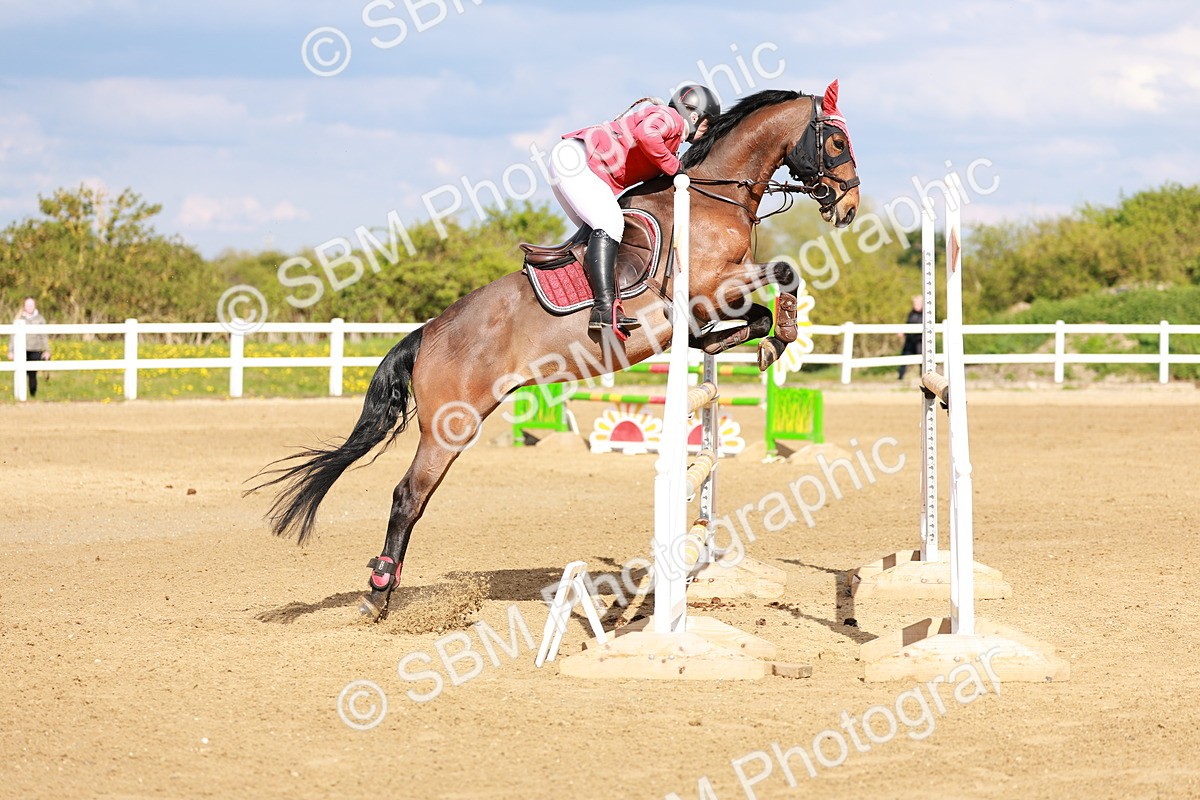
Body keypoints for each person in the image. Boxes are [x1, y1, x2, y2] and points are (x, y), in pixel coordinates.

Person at [550, 84, 721, 338]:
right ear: (694, 116)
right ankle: (604, 309)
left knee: (594, 236)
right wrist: (676, 168)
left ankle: (577, 297)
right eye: (708, 125)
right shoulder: (671, 118)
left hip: (574, 162)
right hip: (576, 161)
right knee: (610, 225)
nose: (706, 133)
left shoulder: (671, 138)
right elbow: (645, 134)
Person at [8, 297, 51, 397]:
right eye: (28, 305)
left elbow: (44, 336)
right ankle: (20, 395)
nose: (30, 307)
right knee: (21, 372)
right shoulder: (19, 319)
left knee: (32, 374)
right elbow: (12, 336)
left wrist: (47, 350)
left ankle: (33, 394)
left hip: (35, 349)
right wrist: (11, 350)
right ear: (24, 306)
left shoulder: (40, 319)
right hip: (22, 350)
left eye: (31, 305)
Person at [897, 295, 923, 380]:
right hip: (910, 339)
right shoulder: (911, 313)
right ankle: (900, 377)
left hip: (919, 340)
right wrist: (903, 331)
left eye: (917, 303)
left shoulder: (925, 314)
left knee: (922, 359)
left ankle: (923, 376)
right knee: (904, 358)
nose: (915, 305)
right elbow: (908, 323)